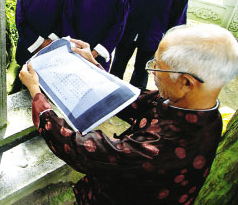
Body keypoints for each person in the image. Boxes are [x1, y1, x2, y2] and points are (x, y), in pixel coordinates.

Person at [20, 23, 238, 205]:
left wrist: (37, 95)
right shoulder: (203, 110)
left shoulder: (160, 148)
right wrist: (92, 65)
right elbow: (133, 101)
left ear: (186, 82)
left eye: (158, 67)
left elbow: (81, 150)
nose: (151, 72)